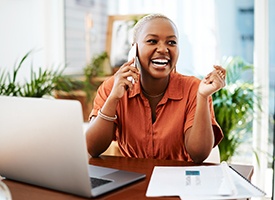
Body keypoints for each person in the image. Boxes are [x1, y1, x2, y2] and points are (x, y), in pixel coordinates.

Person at [86, 13, 226, 163]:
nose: (163, 49)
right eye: (152, 41)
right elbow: (93, 148)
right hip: (135, 179)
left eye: (171, 43)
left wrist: (203, 97)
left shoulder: (194, 89)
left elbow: (199, 154)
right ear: (134, 50)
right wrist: (113, 98)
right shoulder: (112, 87)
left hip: (179, 179)